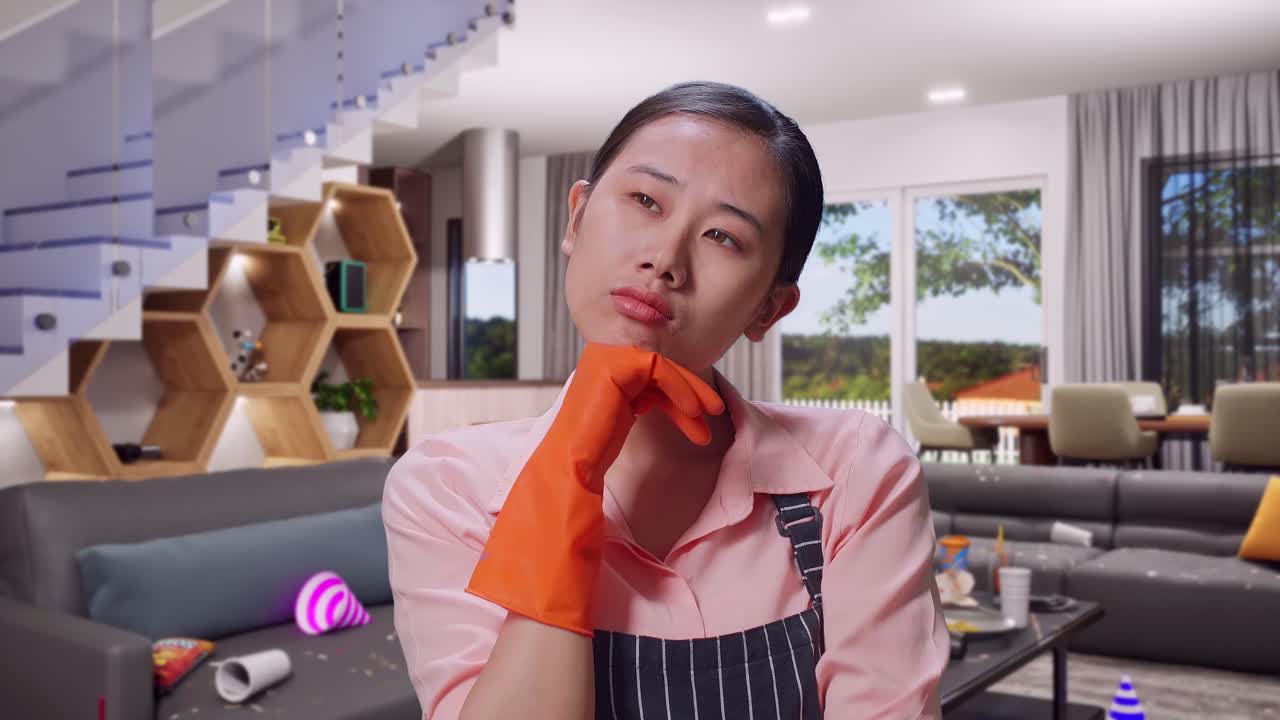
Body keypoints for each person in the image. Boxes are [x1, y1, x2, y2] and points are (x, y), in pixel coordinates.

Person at [383, 81, 949, 720]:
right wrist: (569, 470)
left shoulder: (853, 473)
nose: (664, 259)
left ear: (769, 307)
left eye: (724, 237)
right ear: (577, 218)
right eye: (646, 200)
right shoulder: (446, 488)